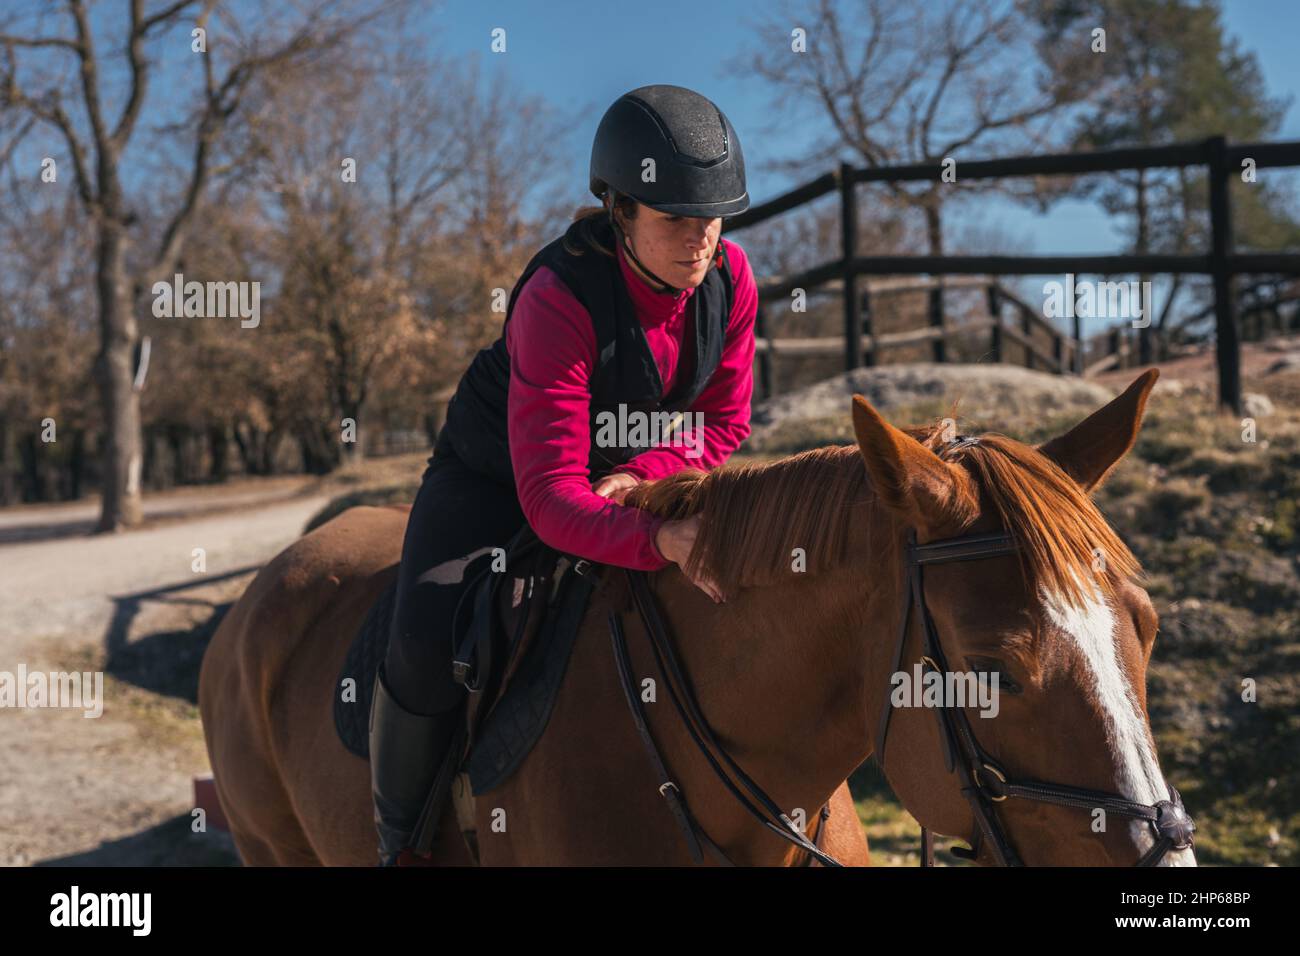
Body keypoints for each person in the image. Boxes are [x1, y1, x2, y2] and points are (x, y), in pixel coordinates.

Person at [368, 83, 758, 865]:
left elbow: (726, 424)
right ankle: (401, 842)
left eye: (712, 217)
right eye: (676, 218)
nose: (701, 240)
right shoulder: (557, 296)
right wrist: (657, 539)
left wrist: (641, 479)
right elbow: (549, 500)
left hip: (623, 477)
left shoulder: (732, 279)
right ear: (620, 211)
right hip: (498, 480)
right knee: (420, 635)